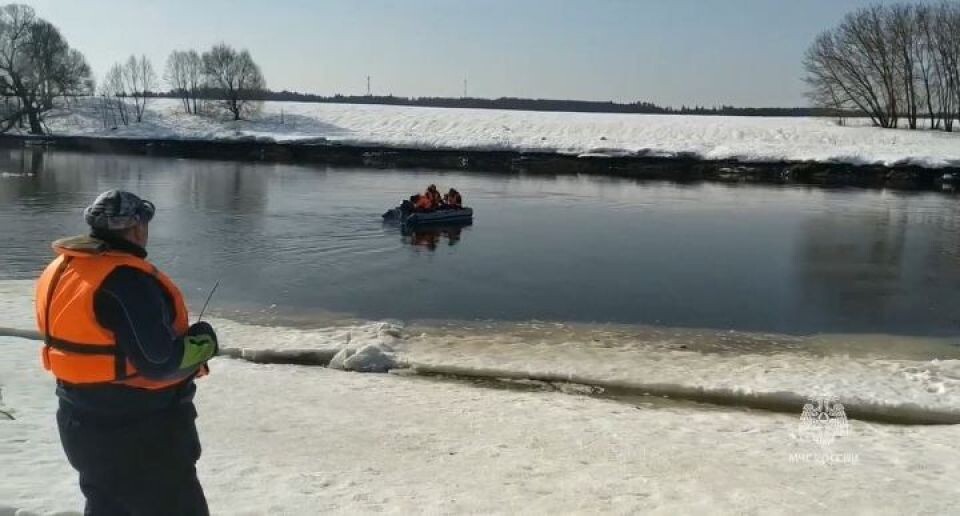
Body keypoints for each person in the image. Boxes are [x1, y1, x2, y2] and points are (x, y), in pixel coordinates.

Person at [34, 190, 218, 516]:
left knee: (107, 506)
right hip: (140, 431)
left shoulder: (63, 268)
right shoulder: (127, 281)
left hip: (79, 422)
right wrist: (203, 343)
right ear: (135, 229)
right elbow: (160, 363)